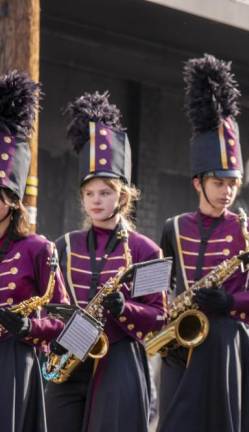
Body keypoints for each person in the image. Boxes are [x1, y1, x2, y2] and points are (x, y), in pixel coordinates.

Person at [157, 54, 249, 432]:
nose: (228, 192)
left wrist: (231, 301)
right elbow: (158, 292)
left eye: (233, 183)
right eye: (219, 183)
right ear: (198, 182)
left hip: (226, 344)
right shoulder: (173, 227)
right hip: (180, 347)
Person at [44, 91, 166, 432]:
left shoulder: (148, 251)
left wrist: (124, 308)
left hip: (120, 363)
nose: (96, 200)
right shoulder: (63, 245)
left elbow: (159, 318)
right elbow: (50, 305)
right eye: (90, 193)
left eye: (105, 192)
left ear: (123, 195)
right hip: (69, 359)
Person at [0, 70, 69, 432]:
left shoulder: (38, 248)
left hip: (15, 360)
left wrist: (29, 326)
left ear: (12, 202)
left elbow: (64, 319)